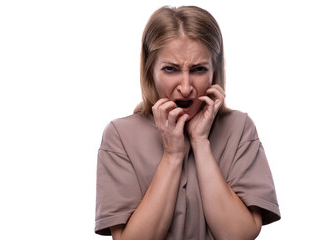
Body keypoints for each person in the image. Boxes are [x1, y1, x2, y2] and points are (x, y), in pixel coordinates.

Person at [95, 5, 280, 240]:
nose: (185, 87)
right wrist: (172, 155)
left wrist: (200, 141)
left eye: (199, 69)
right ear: (150, 70)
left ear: (215, 71)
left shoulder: (239, 127)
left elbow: (238, 235)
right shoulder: (120, 135)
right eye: (170, 69)